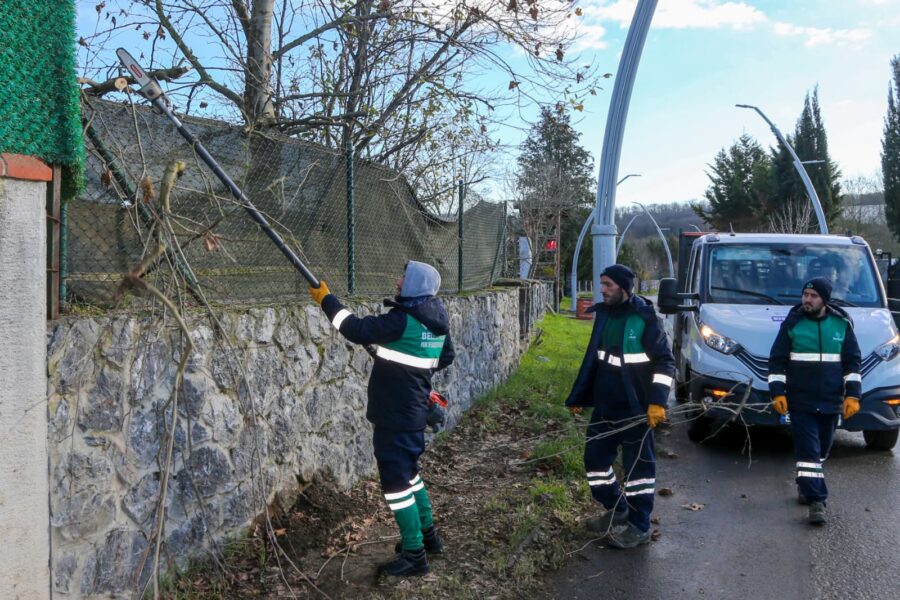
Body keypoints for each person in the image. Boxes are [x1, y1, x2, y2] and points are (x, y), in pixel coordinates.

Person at [308, 260, 455, 576]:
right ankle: (429, 537)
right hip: (413, 414)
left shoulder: (401, 321)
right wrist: (416, 373)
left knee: (396, 485)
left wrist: (326, 300)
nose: (399, 281)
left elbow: (355, 329)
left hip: (395, 416)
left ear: (414, 285)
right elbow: (445, 357)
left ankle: (415, 554)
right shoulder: (436, 323)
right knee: (411, 474)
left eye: (404, 277)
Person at [565, 264, 676, 548]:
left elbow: (665, 362)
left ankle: (639, 527)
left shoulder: (645, 318)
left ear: (624, 288)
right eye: (601, 284)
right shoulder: (603, 316)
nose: (601, 290)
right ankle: (617, 508)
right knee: (595, 461)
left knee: (638, 471)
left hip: (636, 410)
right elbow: (594, 359)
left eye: (608, 285)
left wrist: (657, 402)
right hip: (605, 407)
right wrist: (578, 397)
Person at [768, 277, 862, 525]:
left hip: (831, 401)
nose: (807, 300)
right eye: (805, 294)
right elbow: (777, 361)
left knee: (821, 451)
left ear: (825, 300)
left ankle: (805, 481)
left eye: (813, 296)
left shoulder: (841, 325)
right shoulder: (793, 324)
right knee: (808, 451)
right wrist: (777, 392)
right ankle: (816, 501)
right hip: (800, 402)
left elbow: (852, 363)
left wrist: (853, 395)